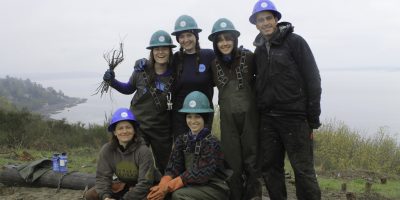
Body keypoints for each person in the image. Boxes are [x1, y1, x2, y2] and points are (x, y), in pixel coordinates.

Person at [249, 0, 322, 199]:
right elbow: (257, 83)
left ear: (276, 19)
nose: (265, 23)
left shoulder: (295, 42)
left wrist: (312, 120)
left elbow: (313, 79)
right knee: (270, 169)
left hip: (295, 118)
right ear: (256, 24)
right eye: (260, 20)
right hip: (268, 120)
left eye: (268, 18)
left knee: (303, 171)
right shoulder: (259, 50)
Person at [102, 30, 176, 174]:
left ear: (170, 51)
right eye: (157, 49)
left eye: (164, 48)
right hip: (139, 127)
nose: (160, 52)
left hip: (162, 129)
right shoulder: (140, 71)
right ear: (152, 51)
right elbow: (128, 88)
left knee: (165, 166)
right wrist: (112, 81)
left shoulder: (176, 74)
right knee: (136, 164)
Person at [208, 18, 261, 200]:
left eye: (228, 38)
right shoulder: (213, 65)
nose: (224, 43)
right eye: (220, 40)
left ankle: (254, 197)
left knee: (252, 162)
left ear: (235, 39)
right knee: (232, 165)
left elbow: (266, 76)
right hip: (228, 121)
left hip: (250, 120)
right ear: (215, 44)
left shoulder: (249, 57)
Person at [147, 91, 230, 200]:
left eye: (197, 117)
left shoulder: (212, 142)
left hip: (215, 188)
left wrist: (170, 186)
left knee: (178, 195)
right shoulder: (181, 140)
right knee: (160, 193)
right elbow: (173, 168)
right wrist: (162, 185)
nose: (192, 121)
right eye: (189, 116)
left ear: (204, 119)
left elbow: (201, 173)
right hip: (193, 187)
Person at [85, 108, 156, 200]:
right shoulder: (107, 150)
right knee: (91, 195)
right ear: (114, 132)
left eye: (128, 127)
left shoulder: (143, 151)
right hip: (124, 185)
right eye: (120, 128)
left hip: (145, 189)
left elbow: (145, 183)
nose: (125, 131)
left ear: (134, 130)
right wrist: (106, 197)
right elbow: (102, 178)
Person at [170, 14, 215, 139]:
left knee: (203, 151)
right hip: (180, 115)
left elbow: (227, 61)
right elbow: (158, 64)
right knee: (182, 153)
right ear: (178, 40)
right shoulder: (175, 59)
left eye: (189, 35)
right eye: (182, 37)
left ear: (196, 36)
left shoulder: (209, 55)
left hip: (203, 113)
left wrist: (241, 53)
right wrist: (142, 63)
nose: (186, 40)